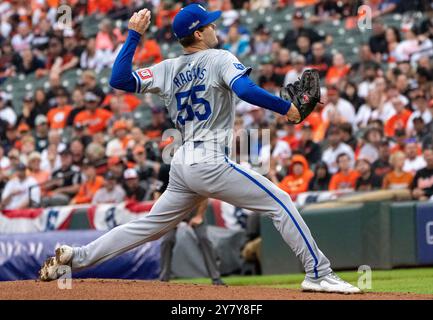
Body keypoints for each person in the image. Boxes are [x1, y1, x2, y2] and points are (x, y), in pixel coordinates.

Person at [39, 6, 360, 294]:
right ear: (198, 32)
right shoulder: (219, 57)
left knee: (147, 227)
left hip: (182, 162)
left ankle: (77, 257)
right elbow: (245, 89)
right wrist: (285, 108)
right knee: (281, 201)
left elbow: (119, 79)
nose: (214, 29)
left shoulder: (167, 68)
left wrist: (133, 35)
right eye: (209, 25)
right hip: (208, 159)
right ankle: (318, 273)